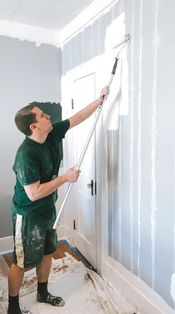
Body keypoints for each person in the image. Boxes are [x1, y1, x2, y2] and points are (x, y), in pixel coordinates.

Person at [7, 86, 109, 314]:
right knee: (21, 261)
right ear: (34, 126)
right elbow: (33, 193)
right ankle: (12, 307)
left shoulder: (51, 132)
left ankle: (42, 293)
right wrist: (65, 178)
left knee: (46, 252)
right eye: (42, 115)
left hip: (47, 210)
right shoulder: (26, 155)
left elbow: (77, 117)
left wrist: (100, 99)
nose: (48, 116)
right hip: (28, 214)